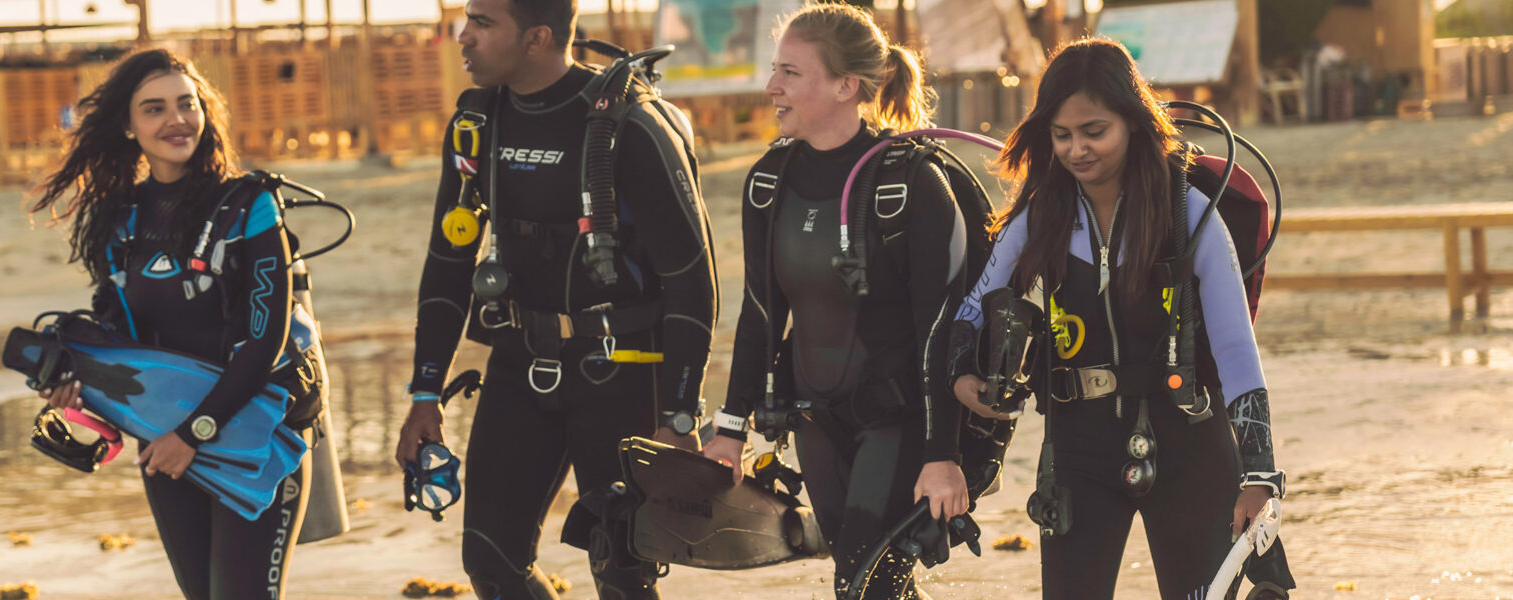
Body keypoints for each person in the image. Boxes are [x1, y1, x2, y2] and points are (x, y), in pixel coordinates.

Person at [393, 0, 717, 597]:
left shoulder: (628, 125)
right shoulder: (477, 122)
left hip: (620, 372)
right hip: (520, 364)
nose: (463, 37)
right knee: (490, 563)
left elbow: (693, 278)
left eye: (483, 24)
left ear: (537, 37)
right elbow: (448, 262)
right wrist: (423, 392)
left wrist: (679, 415)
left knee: (622, 577)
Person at [946, 39, 1282, 599]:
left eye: (1094, 131)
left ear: (1132, 121)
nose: (1077, 149)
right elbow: (972, 311)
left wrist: (1259, 475)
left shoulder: (1189, 214)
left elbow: (1235, 347)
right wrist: (962, 373)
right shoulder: (1039, 215)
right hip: (1079, 450)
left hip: (1190, 444)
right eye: (1062, 135)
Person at [698, 4, 968, 598]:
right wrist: (729, 429)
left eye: (791, 73)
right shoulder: (767, 183)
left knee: (863, 583)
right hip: (814, 417)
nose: (772, 87)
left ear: (847, 86)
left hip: (897, 421)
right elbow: (761, 312)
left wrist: (942, 455)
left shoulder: (911, 183)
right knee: (865, 582)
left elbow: (939, 332)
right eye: (775, 70)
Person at [28, 49, 309, 599]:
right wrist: (77, 384)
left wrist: (194, 433)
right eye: (154, 109)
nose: (176, 120)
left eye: (187, 104)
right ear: (129, 127)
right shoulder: (120, 220)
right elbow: (124, 340)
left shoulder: (249, 204)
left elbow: (264, 340)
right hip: (166, 439)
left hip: (257, 433)